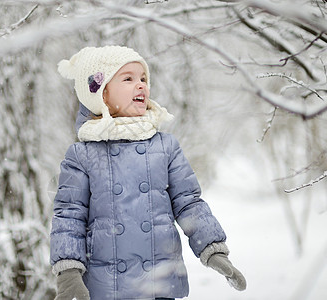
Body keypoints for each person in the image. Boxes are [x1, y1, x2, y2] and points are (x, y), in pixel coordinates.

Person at [50, 46, 246, 300]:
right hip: (107, 287)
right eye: (128, 79)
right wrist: (68, 269)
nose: (141, 85)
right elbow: (69, 215)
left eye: (143, 78)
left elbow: (189, 203)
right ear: (102, 94)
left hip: (159, 282)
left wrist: (212, 247)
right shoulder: (82, 155)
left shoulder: (165, 147)